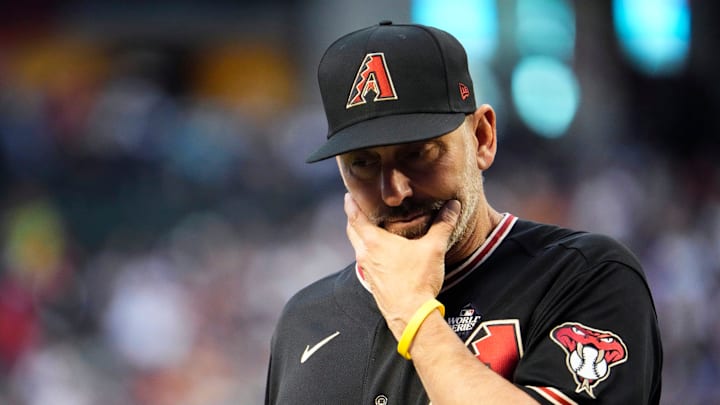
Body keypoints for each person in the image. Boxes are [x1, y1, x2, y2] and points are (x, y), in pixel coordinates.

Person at [265, 21, 662, 404]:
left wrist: (414, 314)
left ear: (482, 138)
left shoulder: (585, 276)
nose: (395, 191)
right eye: (363, 163)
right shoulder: (304, 319)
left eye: (419, 153)